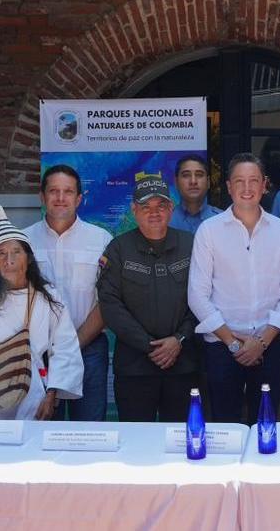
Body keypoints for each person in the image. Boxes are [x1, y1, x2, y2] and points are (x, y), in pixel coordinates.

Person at [188, 153, 280, 423]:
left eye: (254, 181)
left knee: (265, 422)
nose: (247, 188)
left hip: (269, 345)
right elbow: (197, 295)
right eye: (239, 181)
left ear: (265, 185)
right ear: (228, 186)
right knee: (226, 426)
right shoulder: (209, 231)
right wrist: (233, 343)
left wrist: (262, 341)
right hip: (222, 345)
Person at [0, 206, 83, 420]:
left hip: (33, 393)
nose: (8, 260)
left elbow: (65, 347)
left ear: (28, 258)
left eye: (16, 252)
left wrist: (51, 394)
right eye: (1, 253)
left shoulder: (48, 298)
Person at [98, 178, 202, 422]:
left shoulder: (191, 245)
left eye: (161, 206)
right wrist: (149, 346)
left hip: (183, 364)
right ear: (134, 211)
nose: (154, 213)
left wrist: (179, 339)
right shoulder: (118, 248)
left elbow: (204, 298)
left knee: (179, 441)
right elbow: (110, 304)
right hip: (135, 368)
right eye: (146, 207)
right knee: (136, 443)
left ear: (171, 209)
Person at [23, 165, 112, 421]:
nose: (61, 198)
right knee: (41, 429)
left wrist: (73, 344)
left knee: (89, 430)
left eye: (68, 192)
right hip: (38, 352)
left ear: (79, 199)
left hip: (89, 348)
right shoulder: (23, 241)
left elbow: (107, 301)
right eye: (54, 191)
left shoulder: (101, 240)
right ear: (42, 196)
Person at [170, 155, 221, 233]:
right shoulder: (165, 221)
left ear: (208, 182)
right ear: (176, 182)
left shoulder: (222, 220)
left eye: (199, 175)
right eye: (186, 175)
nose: (193, 181)